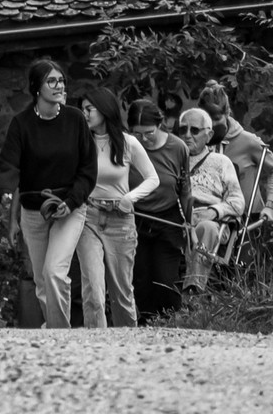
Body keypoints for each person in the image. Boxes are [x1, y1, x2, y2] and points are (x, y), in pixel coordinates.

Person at [0, 59, 98, 331]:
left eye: (61, 80)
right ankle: (55, 334)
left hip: (69, 209)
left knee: (54, 273)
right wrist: (6, 190)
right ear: (36, 88)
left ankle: (60, 338)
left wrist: (71, 201)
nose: (59, 85)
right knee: (42, 282)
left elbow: (88, 169)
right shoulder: (22, 124)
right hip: (33, 211)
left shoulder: (75, 119)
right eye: (51, 81)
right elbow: (10, 163)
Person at [73, 85, 156, 329]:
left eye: (89, 109)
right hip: (88, 217)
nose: (84, 114)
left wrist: (131, 197)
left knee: (122, 296)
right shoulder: (80, 142)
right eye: (82, 110)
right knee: (94, 291)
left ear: (105, 109)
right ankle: (96, 347)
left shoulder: (128, 142)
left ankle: (128, 347)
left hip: (121, 220)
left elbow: (153, 178)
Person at [129, 97, 191, 322]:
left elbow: (185, 190)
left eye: (149, 133)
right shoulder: (127, 146)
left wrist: (188, 223)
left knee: (166, 280)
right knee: (142, 280)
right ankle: (146, 326)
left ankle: (171, 324)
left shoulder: (177, 147)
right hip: (135, 219)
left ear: (160, 124)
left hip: (168, 220)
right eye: (137, 134)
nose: (143, 139)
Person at [200, 79, 273, 232]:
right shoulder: (195, 142)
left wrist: (270, 205)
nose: (211, 126)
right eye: (206, 120)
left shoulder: (247, 141)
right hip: (209, 216)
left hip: (246, 220)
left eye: (216, 120)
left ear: (227, 113)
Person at [177, 105, 245, 289]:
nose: (188, 135)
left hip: (210, 220)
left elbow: (237, 202)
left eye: (195, 130)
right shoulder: (172, 157)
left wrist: (213, 212)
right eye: (183, 129)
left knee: (205, 227)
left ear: (208, 135)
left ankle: (194, 288)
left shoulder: (221, 162)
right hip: (176, 217)